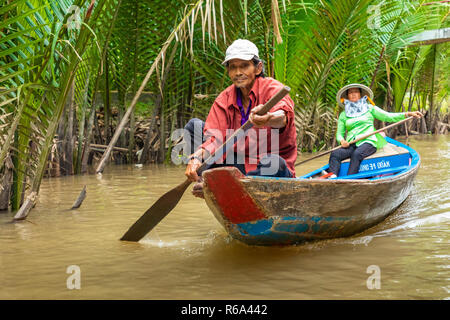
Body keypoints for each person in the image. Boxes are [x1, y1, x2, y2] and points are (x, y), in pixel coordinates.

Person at [184, 39, 297, 197]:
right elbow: (214, 139)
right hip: (239, 164)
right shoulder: (224, 99)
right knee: (193, 126)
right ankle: (208, 182)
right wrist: (196, 158)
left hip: (268, 168)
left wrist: (268, 118)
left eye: (244, 66)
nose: (238, 72)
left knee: (273, 162)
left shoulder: (272, 88)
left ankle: (226, 190)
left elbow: (283, 116)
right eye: (233, 67)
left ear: (258, 68)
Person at [325, 83, 423, 178]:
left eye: (356, 92)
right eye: (350, 92)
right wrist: (342, 141)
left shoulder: (369, 108)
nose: (353, 94)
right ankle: (333, 177)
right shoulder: (343, 114)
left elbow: (388, 116)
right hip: (352, 143)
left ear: (360, 94)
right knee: (335, 154)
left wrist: (408, 114)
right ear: (347, 97)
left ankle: (350, 179)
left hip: (368, 142)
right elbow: (339, 134)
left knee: (357, 154)